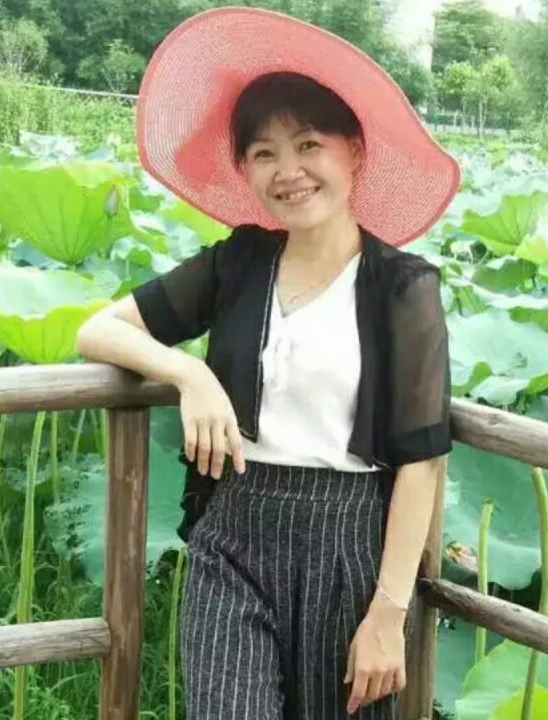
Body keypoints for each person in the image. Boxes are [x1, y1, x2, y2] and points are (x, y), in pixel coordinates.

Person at [76, 7, 460, 720]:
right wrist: (189, 374)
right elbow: (99, 330)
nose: (288, 172)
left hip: (350, 550)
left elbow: (422, 460)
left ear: (354, 152)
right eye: (263, 153)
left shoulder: (402, 287)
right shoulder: (239, 262)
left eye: (309, 144)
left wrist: (388, 612)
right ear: (245, 169)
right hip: (233, 535)